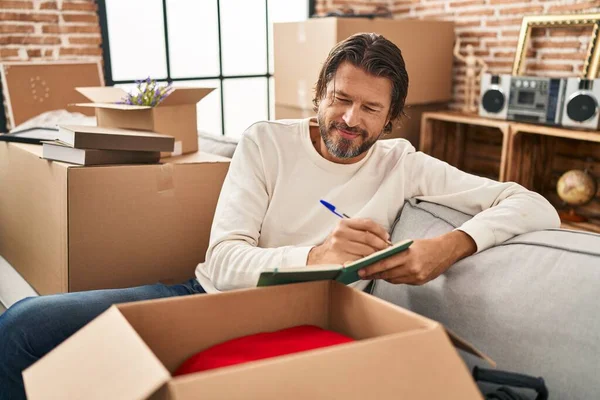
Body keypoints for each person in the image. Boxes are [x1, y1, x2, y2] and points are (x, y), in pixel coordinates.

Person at [0, 33, 559, 399]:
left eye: (369, 109)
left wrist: (452, 245)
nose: (348, 120)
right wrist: (317, 254)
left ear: (392, 118)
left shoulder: (403, 164)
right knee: (23, 325)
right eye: (340, 99)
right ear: (319, 94)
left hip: (307, 322)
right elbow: (223, 258)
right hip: (206, 299)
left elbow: (535, 205)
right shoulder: (265, 142)